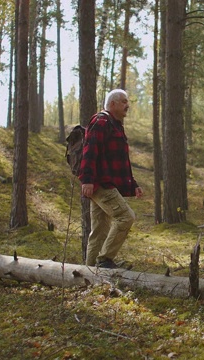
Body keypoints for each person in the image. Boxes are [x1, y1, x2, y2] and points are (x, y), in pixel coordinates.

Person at [79, 89, 143, 269]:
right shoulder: (101, 121)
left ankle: (89, 272)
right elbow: (90, 151)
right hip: (101, 184)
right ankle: (104, 260)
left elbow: (120, 160)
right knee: (126, 217)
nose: (127, 105)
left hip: (104, 182)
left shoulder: (115, 125)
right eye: (123, 101)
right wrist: (87, 180)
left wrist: (133, 185)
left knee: (99, 230)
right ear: (112, 104)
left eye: (127, 101)